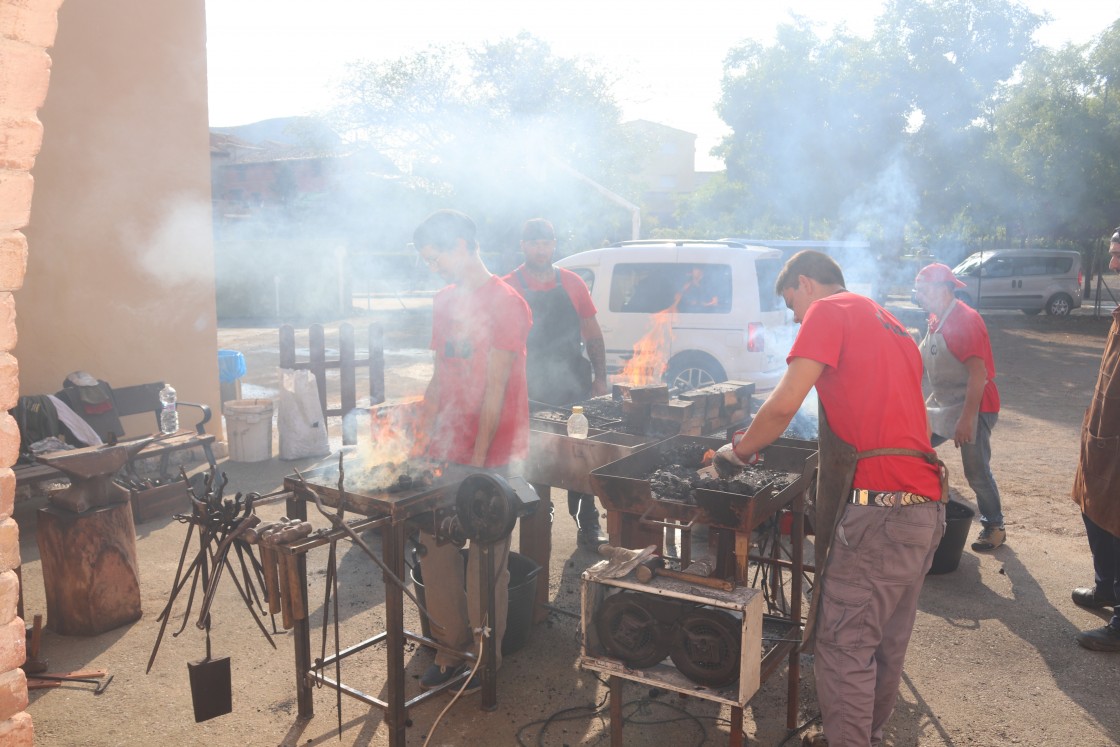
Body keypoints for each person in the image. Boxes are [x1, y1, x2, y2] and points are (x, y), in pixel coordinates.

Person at [715, 250, 945, 746]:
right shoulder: (893, 326)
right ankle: (867, 736)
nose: (795, 316)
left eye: (791, 302)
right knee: (883, 645)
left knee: (844, 648)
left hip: (880, 514)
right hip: (925, 508)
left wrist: (736, 453)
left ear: (806, 284)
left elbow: (781, 406)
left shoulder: (829, 311)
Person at [410, 209, 533, 689]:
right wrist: (419, 437)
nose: (433, 267)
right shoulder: (443, 301)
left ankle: (484, 659)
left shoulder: (508, 303)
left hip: (493, 452)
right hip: (447, 449)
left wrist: (479, 467)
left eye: (435, 256)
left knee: (486, 560)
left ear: (461, 245)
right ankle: (447, 651)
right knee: (434, 549)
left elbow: (496, 389)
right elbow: (441, 377)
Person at [502, 218, 609, 547]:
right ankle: (538, 517)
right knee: (532, 456)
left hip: (571, 385)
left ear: (553, 245)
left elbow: (592, 333)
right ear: (523, 246)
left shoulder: (573, 283)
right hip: (527, 387)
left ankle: (586, 523)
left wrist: (600, 378)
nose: (541, 249)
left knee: (579, 456)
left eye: (546, 242)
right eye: (534, 242)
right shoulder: (508, 286)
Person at [913, 263, 1007, 552]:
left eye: (923, 290)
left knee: (976, 470)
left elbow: (978, 376)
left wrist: (967, 420)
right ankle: (918, 511)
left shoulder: (965, 320)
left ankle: (994, 526)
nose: (919, 295)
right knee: (914, 446)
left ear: (943, 290)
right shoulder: (935, 318)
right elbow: (919, 360)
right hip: (945, 402)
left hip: (975, 405)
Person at [1070, 229, 1120, 652]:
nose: (1113, 264)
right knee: (1094, 511)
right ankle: (1107, 587)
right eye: (1112, 254)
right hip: (1104, 437)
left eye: (1119, 255)